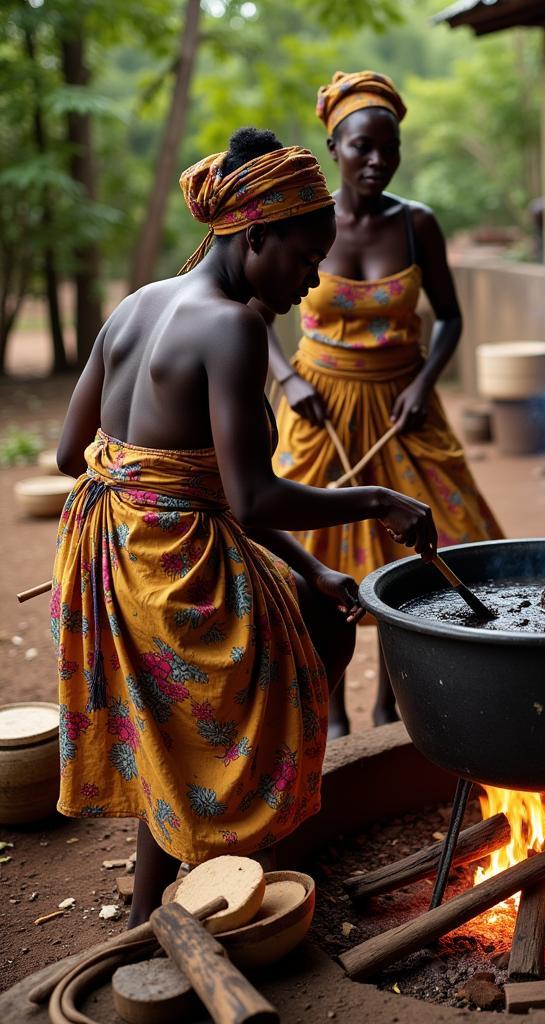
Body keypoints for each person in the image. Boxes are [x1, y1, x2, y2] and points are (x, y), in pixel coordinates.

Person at [52, 128, 437, 925]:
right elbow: (253, 500)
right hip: (171, 565)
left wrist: (309, 567)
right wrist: (374, 499)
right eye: (303, 259)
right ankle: (246, 842)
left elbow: (69, 454)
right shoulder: (232, 328)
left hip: (102, 549)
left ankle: (161, 903)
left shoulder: (136, 304)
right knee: (311, 645)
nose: (311, 280)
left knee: (314, 614)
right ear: (255, 234)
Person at [262, 71, 502, 735]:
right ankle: (332, 707)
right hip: (319, 408)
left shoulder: (416, 223)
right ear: (333, 146)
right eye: (363, 147)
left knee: (435, 544)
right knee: (314, 547)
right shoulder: (305, 222)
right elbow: (254, 314)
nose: (377, 161)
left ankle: (393, 703)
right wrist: (287, 380)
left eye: (389, 149)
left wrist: (424, 384)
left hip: (405, 407)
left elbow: (449, 318)